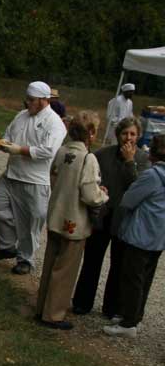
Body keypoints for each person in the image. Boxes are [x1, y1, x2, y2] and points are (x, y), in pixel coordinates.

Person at [0, 81, 67, 275]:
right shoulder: (21, 116)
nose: (27, 103)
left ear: (43, 100)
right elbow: (9, 135)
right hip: (12, 174)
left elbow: (49, 151)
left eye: (31, 100)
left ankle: (26, 260)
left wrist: (20, 150)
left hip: (35, 180)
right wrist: (1, 143)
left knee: (32, 222)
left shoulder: (54, 123)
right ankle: (7, 245)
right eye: (27, 99)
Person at [35, 112, 108, 330]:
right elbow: (89, 194)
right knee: (65, 270)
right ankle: (54, 314)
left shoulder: (62, 151)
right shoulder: (88, 158)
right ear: (91, 133)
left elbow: (54, 177)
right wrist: (103, 194)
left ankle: (41, 307)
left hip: (56, 215)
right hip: (74, 221)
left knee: (50, 264)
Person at [72, 116, 150, 317]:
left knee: (119, 265)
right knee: (92, 261)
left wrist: (129, 161)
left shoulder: (142, 159)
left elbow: (138, 187)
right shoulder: (102, 155)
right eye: (125, 133)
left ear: (138, 136)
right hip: (102, 216)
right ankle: (82, 302)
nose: (128, 138)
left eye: (133, 134)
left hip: (124, 219)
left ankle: (111, 307)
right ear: (118, 135)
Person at [103, 133, 165, 338]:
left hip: (140, 234)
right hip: (158, 237)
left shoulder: (153, 176)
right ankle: (135, 316)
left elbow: (129, 199)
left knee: (132, 278)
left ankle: (128, 322)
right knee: (144, 279)